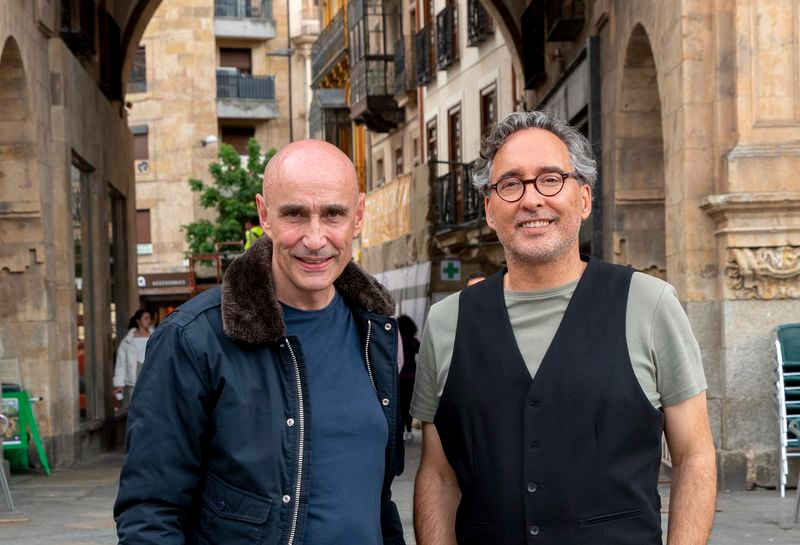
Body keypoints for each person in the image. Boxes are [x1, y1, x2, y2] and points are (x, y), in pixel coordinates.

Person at [411, 111, 716, 545]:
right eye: (511, 183)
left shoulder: (650, 305)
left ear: (585, 199)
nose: (532, 199)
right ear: (490, 210)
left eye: (551, 178)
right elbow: (439, 476)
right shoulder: (447, 322)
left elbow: (694, 456)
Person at [115, 140, 405, 545]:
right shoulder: (193, 339)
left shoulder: (376, 332)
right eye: (295, 215)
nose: (316, 238)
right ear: (264, 214)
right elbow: (150, 512)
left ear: (358, 215)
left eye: (333, 214)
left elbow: (377, 497)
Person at [111, 309, 152, 406]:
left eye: (149, 318)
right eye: (146, 318)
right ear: (138, 321)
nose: (149, 320)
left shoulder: (155, 336)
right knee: (136, 407)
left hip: (152, 376)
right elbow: (121, 364)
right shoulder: (127, 340)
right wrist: (119, 384)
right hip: (134, 379)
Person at [397, 315, 420, 441]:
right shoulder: (413, 341)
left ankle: (400, 431)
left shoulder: (396, 339)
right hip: (412, 377)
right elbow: (422, 353)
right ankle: (409, 431)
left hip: (398, 377)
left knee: (399, 405)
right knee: (409, 404)